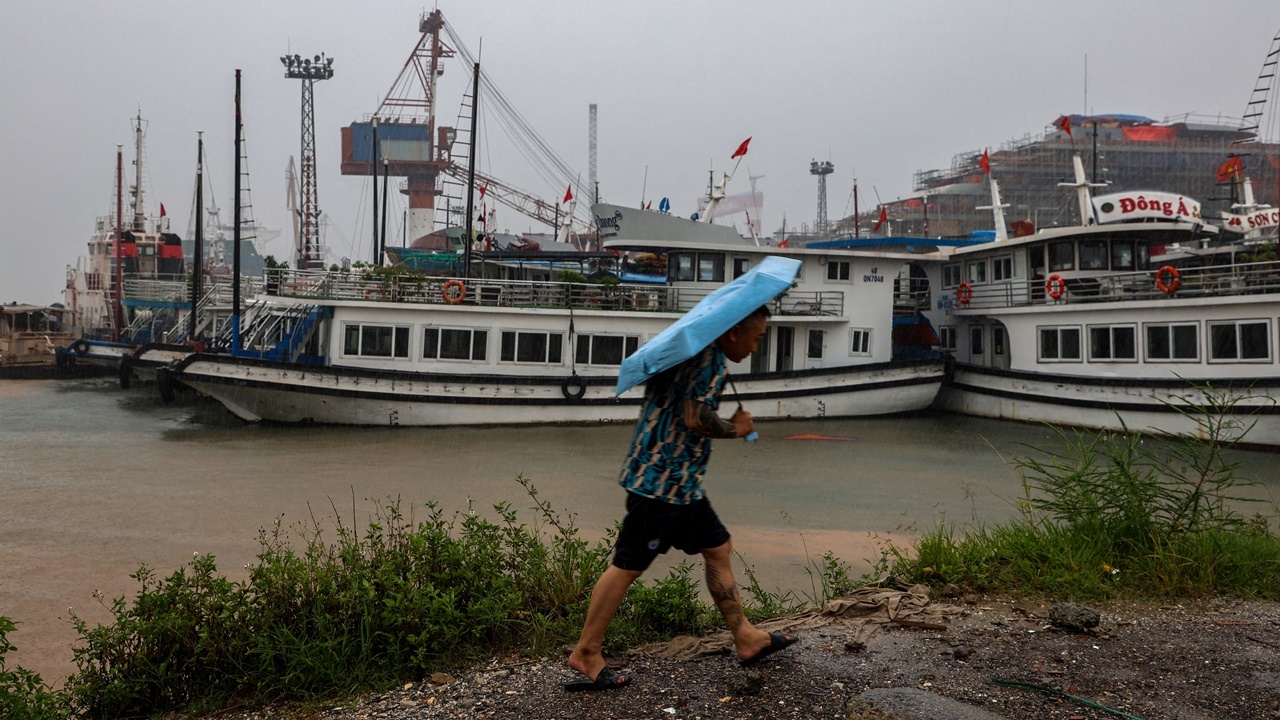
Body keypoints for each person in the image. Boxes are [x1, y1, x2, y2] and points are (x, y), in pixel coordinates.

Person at [565, 306, 796, 692]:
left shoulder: (693, 353)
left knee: (718, 547)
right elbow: (695, 418)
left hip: (680, 485)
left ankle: (746, 637)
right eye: (757, 338)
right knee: (627, 565)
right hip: (661, 485)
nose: (756, 347)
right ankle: (586, 652)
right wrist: (735, 429)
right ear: (735, 332)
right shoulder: (709, 359)